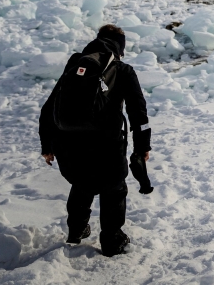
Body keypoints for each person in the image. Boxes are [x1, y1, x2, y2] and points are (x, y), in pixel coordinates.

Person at [39, 24, 151, 257]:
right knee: (114, 189)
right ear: (120, 46)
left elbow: (50, 106)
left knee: (82, 183)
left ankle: (76, 230)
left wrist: (47, 145)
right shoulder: (122, 70)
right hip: (107, 143)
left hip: (67, 142)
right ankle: (112, 240)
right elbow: (138, 113)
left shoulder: (76, 64)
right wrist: (142, 147)